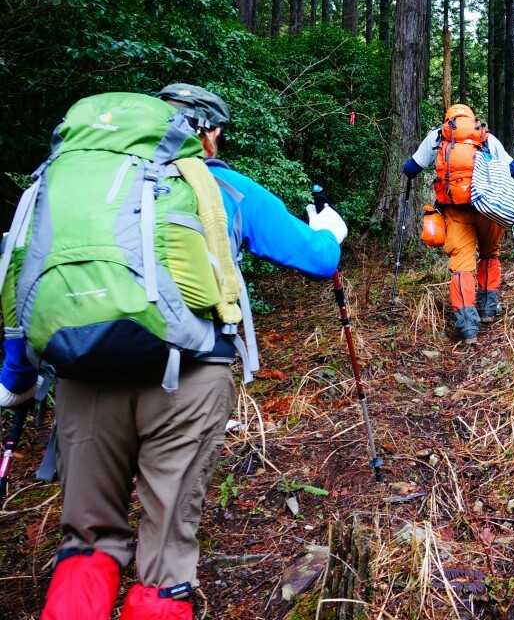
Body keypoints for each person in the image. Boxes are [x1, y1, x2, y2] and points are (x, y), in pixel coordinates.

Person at [0, 84, 347, 620]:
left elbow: (23, 274)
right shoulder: (221, 185)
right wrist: (329, 231)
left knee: (86, 540)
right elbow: (317, 259)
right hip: (189, 377)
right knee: (166, 544)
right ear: (209, 133)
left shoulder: (71, 183)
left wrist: (18, 377)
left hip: (82, 373)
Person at [402, 104, 514, 344]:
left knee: (462, 266)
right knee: (490, 254)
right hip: (488, 209)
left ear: (449, 119)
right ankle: (488, 309)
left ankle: (468, 327)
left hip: (455, 211)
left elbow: (410, 168)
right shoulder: (485, 137)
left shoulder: (438, 136)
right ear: (471, 118)